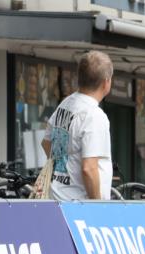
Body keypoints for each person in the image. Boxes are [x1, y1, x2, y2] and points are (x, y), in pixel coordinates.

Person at [42, 51, 114, 200]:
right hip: (79, 207)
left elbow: (46, 143)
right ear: (106, 82)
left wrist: (64, 170)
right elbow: (89, 168)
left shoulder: (66, 104)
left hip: (57, 198)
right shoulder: (94, 115)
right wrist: (97, 207)